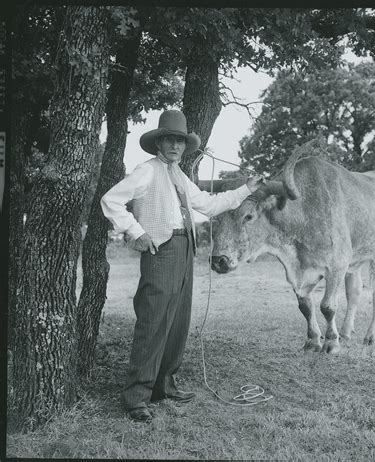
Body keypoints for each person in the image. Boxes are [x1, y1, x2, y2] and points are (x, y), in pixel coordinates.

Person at [101, 109, 264, 423]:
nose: (175, 146)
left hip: (184, 246)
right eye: (170, 140)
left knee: (178, 321)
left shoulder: (178, 174)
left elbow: (208, 203)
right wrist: (137, 232)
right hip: (161, 249)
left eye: (180, 141)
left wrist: (247, 189)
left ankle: (164, 385)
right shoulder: (146, 170)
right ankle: (136, 397)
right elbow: (111, 200)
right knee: (153, 322)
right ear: (160, 142)